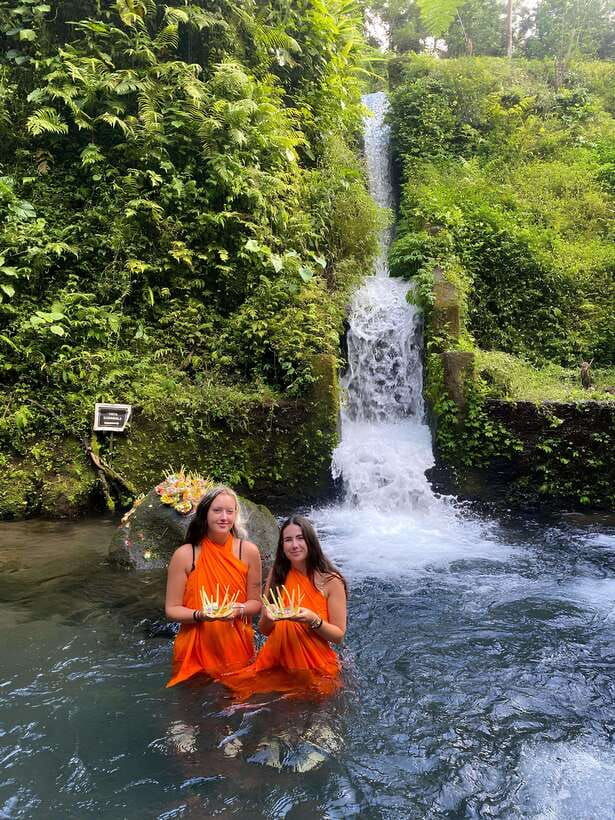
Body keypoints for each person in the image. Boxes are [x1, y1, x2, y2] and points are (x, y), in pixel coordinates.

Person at [221, 515, 347, 700]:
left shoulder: (330, 581)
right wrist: (268, 618)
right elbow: (264, 630)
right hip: (275, 660)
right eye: (288, 540)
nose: (294, 545)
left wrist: (313, 619)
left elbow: (338, 635)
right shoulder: (277, 575)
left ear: (311, 541)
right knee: (231, 695)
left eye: (300, 538)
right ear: (282, 546)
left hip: (313, 664)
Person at [165, 485, 262, 687]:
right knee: (192, 712)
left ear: (236, 515)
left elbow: (256, 604)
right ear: (205, 513)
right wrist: (201, 615)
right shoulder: (185, 554)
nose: (224, 517)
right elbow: (172, 609)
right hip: (194, 649)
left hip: (236, 645)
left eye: (230, 511)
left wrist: (238, 609)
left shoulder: (249, 551)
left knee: (236, 709)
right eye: (217, 510)